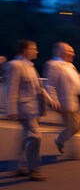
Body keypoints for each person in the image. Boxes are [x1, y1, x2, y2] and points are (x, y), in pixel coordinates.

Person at [5, 40, 58, 181]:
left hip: (33, 108)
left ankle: (19, 166)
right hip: (23, 108)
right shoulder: (15, 66)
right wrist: (11, 109)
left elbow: (39, 87)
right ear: (24, 50)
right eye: (34, 48)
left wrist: (50, 100)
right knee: (35, 136)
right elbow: (11, 89)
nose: (37, 51)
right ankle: (33, 169)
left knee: (26, 137)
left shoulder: (30, 66)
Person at [44, 42, 80, 158]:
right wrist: (54, 100)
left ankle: (59, 139)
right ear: (61, 52)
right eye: (70, 51)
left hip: (76, 101)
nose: (73, 54)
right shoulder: (53, 65)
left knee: (79, 124)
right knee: (72, 126)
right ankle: (72, 152)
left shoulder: (70, 66)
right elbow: (49, 85)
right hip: (63, 101)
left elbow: (78, 78)